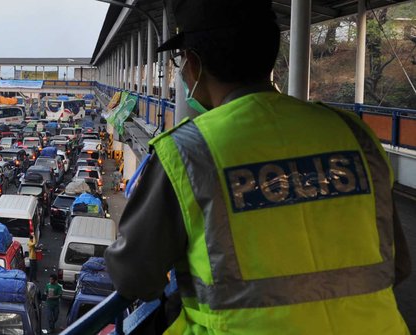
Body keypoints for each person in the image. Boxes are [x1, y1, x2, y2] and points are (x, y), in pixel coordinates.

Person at [104, 0, 410, 334]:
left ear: (194, 63)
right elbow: (399, 264)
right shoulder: (354, 135)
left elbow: (134, 277)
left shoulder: (188, 152)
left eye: (180, 61)